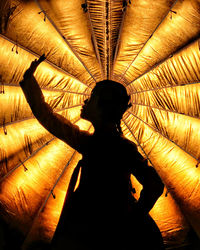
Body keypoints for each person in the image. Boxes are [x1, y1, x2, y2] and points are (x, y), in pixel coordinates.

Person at [20, 55, 165, 250]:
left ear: (103, 108)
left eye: (92, 97)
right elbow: (154, 185)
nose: (85, 101)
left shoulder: (98, 144)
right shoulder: (112, 145)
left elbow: (50, 119)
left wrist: (131, 220)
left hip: (93, 233)